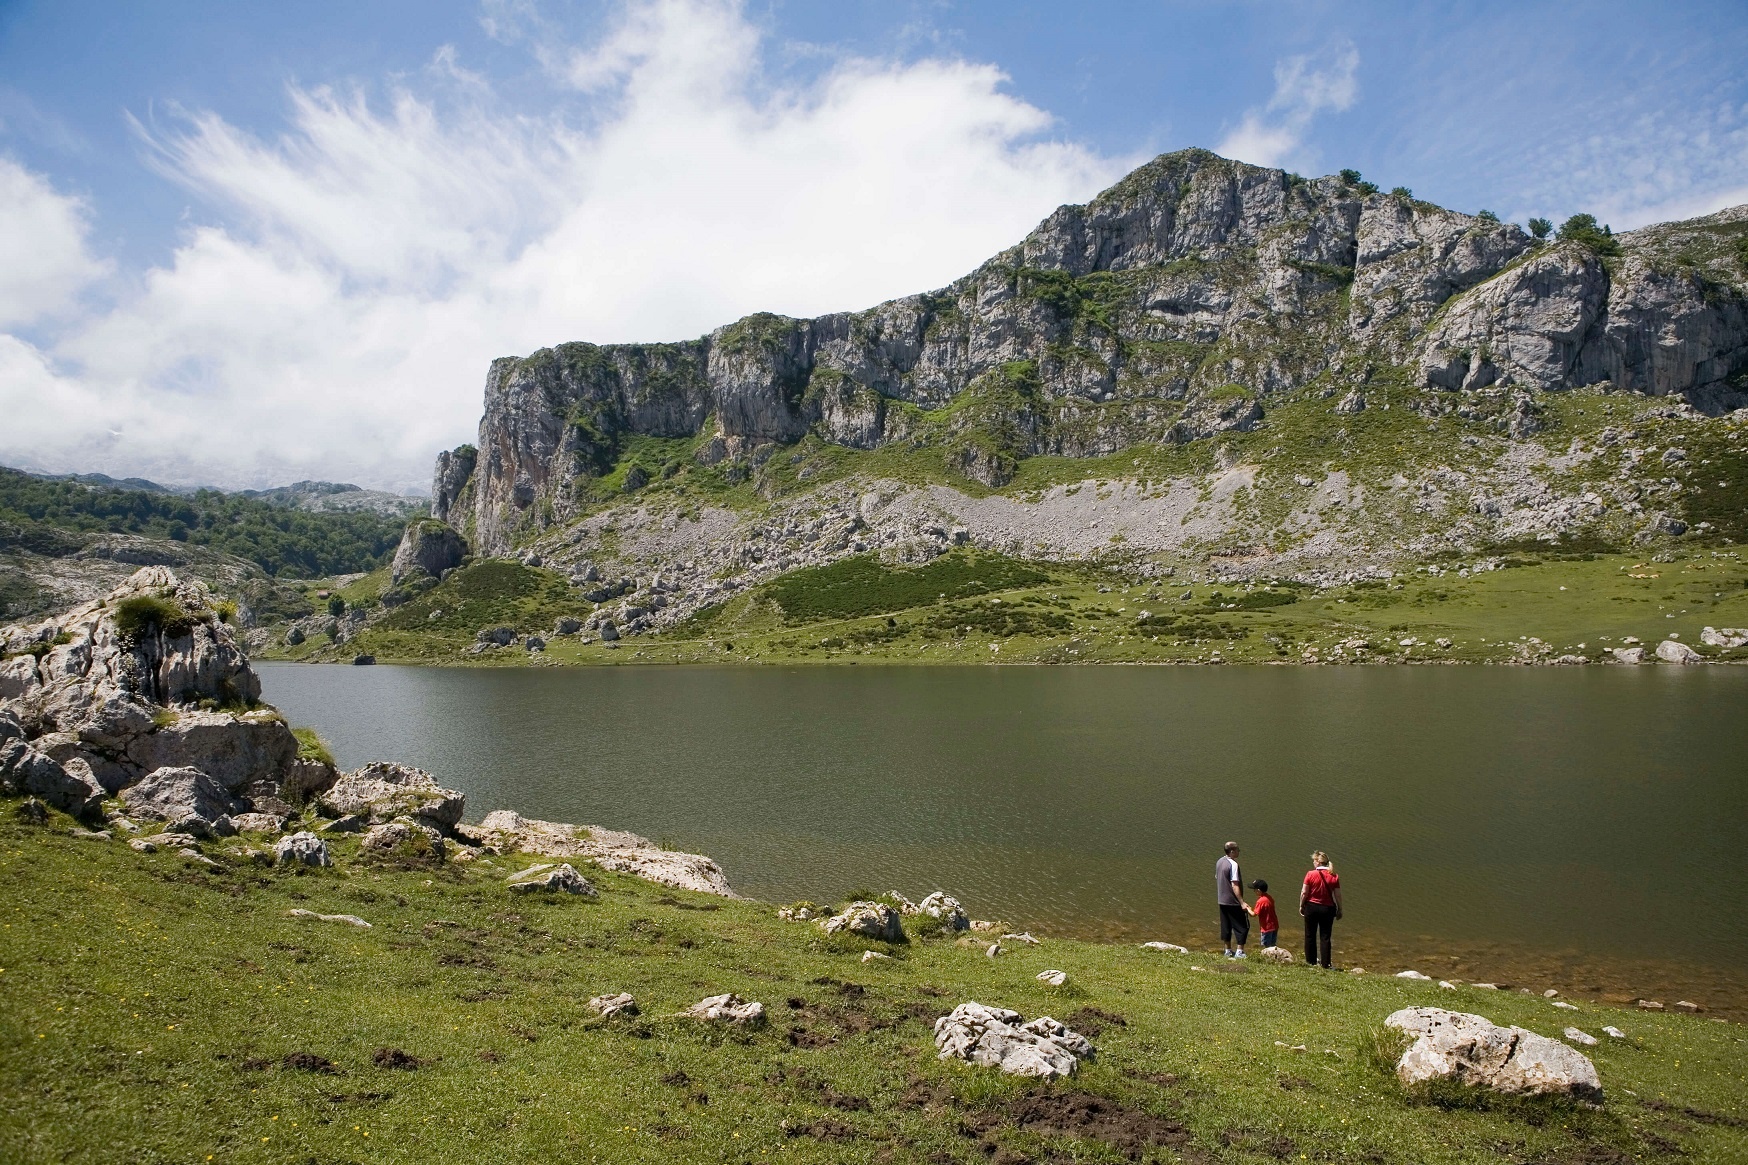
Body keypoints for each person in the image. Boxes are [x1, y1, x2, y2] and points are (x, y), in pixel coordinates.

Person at [1299, 850, 1342, 968]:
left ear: (1318, 862)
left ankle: (1310, 961)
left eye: (1314, 860)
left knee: (1310, 935)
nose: (1313, 862)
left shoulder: (1310, 874)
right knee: (1325, 937)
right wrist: (1340, 909)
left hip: (1311, 907)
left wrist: (1301, 905)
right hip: (1327, 909)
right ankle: (1326, 963)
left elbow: (1304, 893)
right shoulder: (1334, 876)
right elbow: (1337, 895)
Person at [1215, 841, 1248, 958]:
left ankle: (1227, 950)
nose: (1239, 851)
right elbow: (1234, 885)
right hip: (1232, 901)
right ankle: (1240, 952)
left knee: (1226, 926)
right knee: (1242, 926)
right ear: (1232, 851)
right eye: (1238, 849)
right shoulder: (1233, 864)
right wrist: (1242, 902)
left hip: (1222, 900)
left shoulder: (1219, 862)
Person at [1246, 879, 1278, 948]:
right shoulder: (1269, 897)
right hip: (1274, 925)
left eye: (1254, 890)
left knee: (1265, 947)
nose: (1254, 891)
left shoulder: (1260, 901)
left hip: (1266, 928)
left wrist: (1247, 909)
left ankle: (1266, 958)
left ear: (1258, 890)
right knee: (1273, 945)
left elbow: (1253, 914)